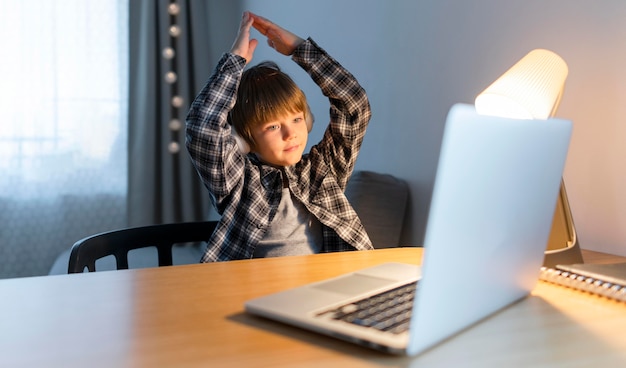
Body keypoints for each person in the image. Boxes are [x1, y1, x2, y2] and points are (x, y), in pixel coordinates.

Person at [186, 11, 373, 262]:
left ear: (307, 121)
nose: (290, 134)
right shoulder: (237, 181)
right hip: (254, 291)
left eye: (296, 119)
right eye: (273, 127)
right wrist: (234, 62)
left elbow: (354, 106)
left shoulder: (323, 169)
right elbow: (202, 129)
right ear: (245, 137)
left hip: (320, 288)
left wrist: (300, 49)